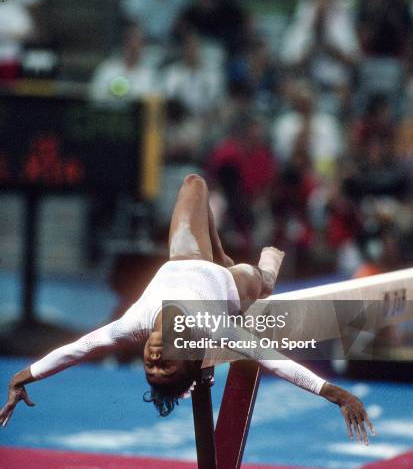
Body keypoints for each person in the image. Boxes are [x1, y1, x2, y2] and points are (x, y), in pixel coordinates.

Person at [0, 174, 374, 445]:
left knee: (193, 183)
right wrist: (337, 394)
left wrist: (24, 376)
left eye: (150, 366)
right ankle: (263, 269)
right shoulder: (213, 329)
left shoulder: (133, 324)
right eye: (166, 365)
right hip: (234, 290)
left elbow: (77, 349)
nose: (154, 359)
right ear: (192, 357)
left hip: (186, 257)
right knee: (256, 281)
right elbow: (276, 361)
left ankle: (222, 255)